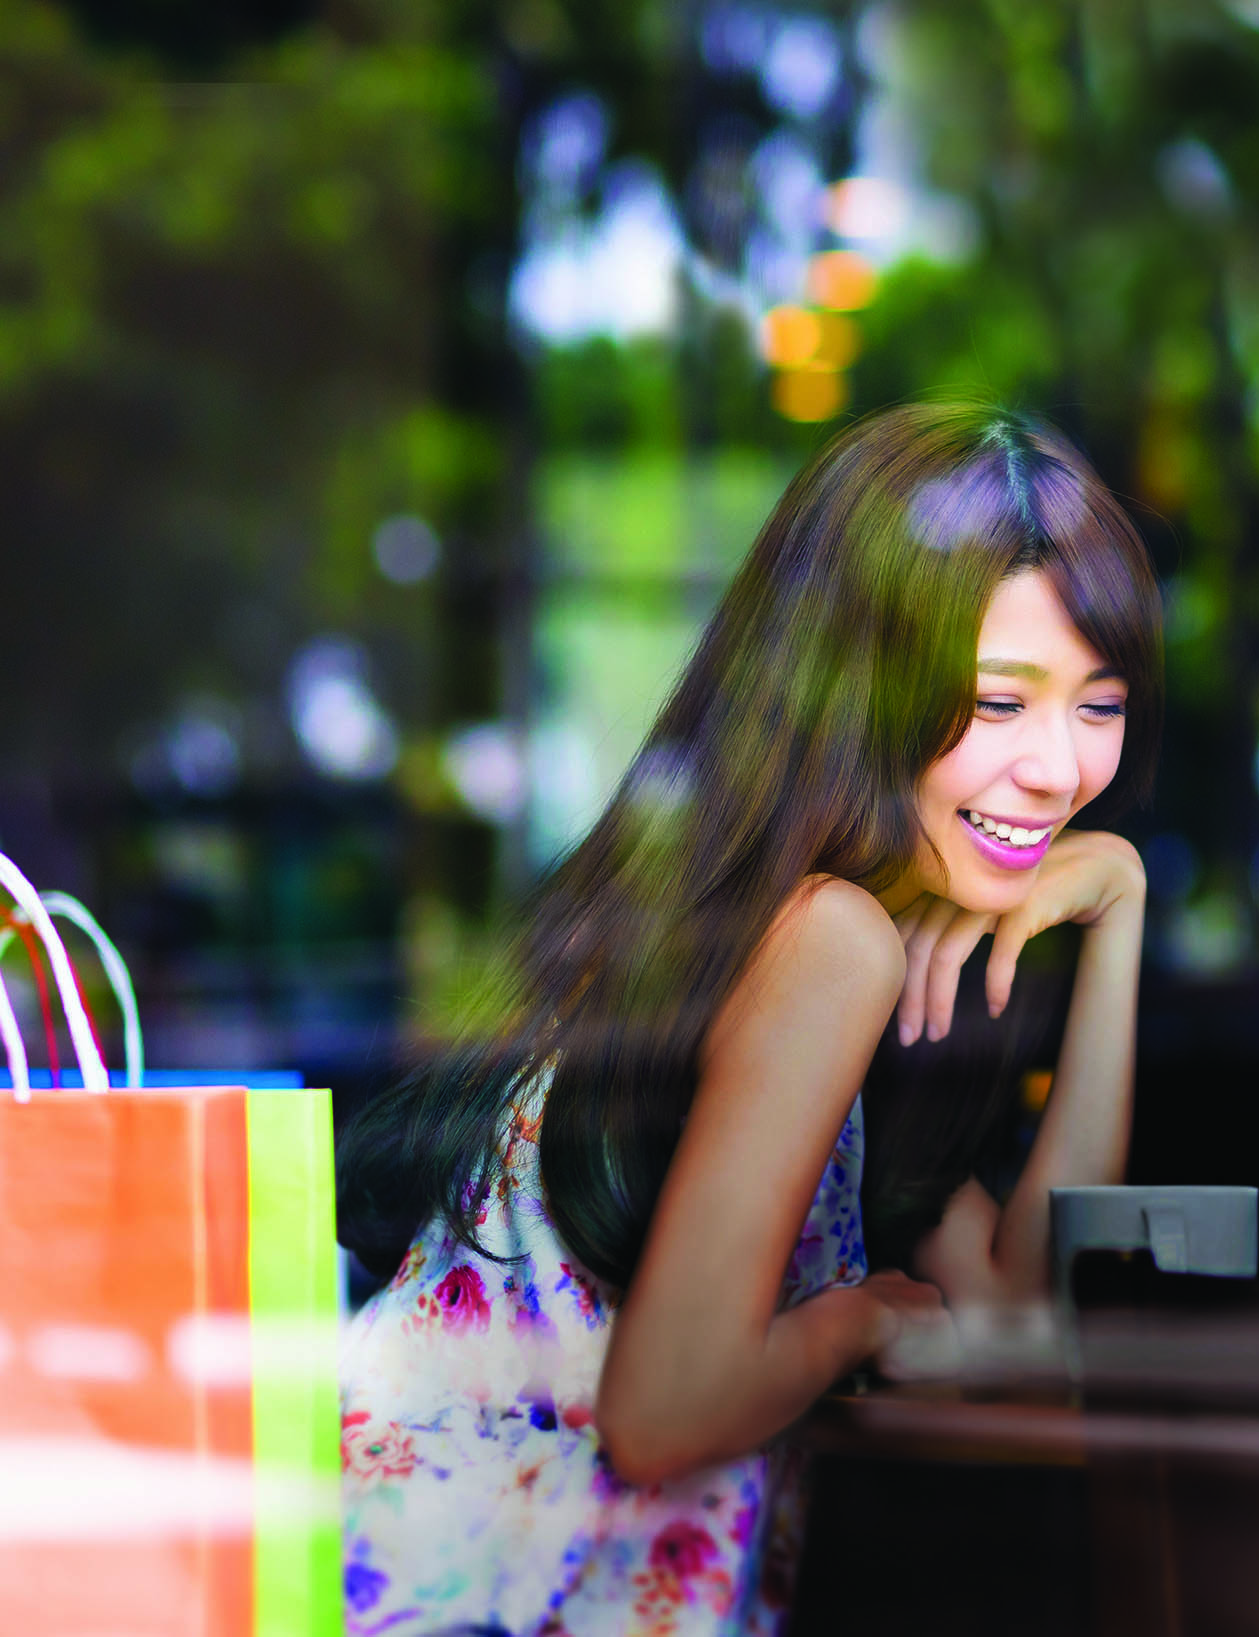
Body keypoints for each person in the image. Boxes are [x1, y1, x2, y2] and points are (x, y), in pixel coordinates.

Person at [334, 401, 1161, 1636]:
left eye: (1096, 706)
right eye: (998, 703)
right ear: (859, 693)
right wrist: (857, 1316)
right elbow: (664, 1409)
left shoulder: (781, 925)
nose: (1056, 769)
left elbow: (1007, 1316)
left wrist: (1119, 906)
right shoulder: (830, 938)